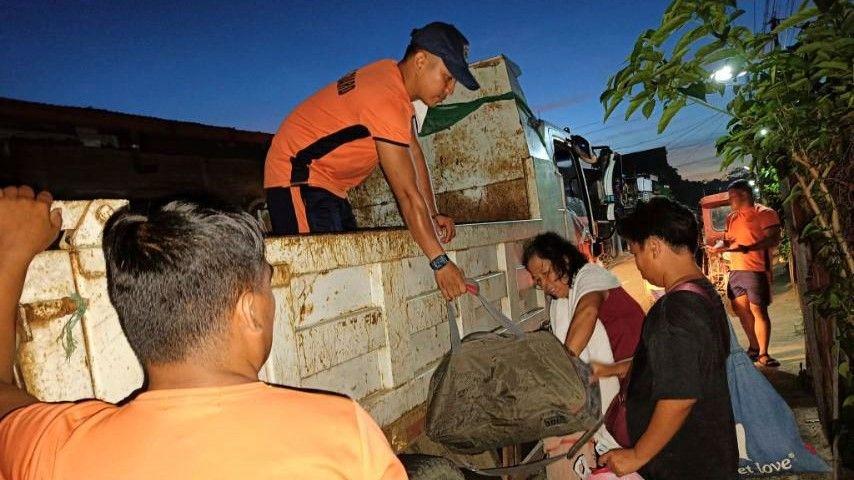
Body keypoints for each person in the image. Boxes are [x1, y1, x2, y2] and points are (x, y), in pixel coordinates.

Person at [0, 185, 406, 479]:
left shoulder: (58, 449)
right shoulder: (341, 431)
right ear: (250, 311)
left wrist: (12, 253)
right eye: (268, 283)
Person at [265, 21, 480, 301]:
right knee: (317, 287)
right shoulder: (384, 97)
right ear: (421, 60)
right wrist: (440, 262)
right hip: (295, 176)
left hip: (330, 185)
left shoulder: (392, 80)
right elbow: (404, 192)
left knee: (347, 274)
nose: (450, 89)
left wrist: (432, 214)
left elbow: (414, 154)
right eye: (448, 77)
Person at [599, 197, 737, 479]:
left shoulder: (674, 311)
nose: (637, 264)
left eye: (636, 253)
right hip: (708, 451)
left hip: (683, 462)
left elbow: (679, 396)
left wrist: (637, 456)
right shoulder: (704, 293)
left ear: (654, 246)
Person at [523, 232, 645, 471]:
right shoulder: (562, 303)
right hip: (622, 385)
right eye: (538, 281)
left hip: (638, 379)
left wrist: (563, 371)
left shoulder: (591, 276)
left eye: (546, 273)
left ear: (565, 261)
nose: (545, 285)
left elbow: (587, 312)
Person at [708, 179, 782, 367]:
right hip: (736, 270)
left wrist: (747, 248)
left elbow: (773, 239)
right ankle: (754, 347)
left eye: (732, 196)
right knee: (742, 311)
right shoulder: (731, 218)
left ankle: (764, 353)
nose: (729, 200)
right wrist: (716, 247)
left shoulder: (765, 213)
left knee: (758, 310)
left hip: (756, 269)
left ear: (744, 195)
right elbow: (726, 241)